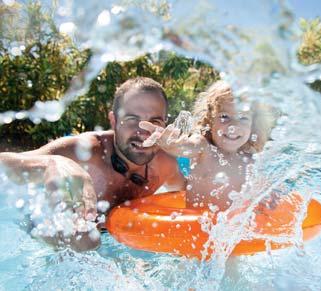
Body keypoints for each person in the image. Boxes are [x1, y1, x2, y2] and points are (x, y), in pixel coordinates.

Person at [0, 77, 186, 251]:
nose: (144, 133)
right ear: (114, 121)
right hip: (37, 241)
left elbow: (193, 196)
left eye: (155, 121)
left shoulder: (165, 163)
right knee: (86, 239)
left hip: (114, 245)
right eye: (132, 120)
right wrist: (52, 163)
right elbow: (5, 164)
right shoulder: (84, 152)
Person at [140, 80, 276, 211]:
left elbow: (262, 198)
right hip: (196, 229)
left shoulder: (252, 162)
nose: (233, 126)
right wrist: (172, 144)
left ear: (253, 125)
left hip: (230, 231)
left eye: (243, 118)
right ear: (210, 120)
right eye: (224, 117)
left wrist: (270, 196)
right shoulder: (204, 148)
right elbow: (187, 146)